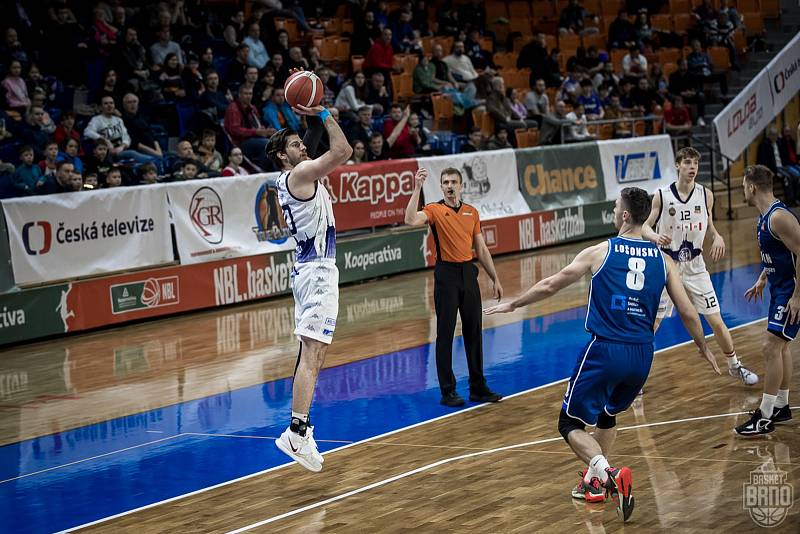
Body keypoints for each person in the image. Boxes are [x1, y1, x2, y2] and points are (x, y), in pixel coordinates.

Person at [484, 187, 720, 520]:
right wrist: (703, 346)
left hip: (605, 349)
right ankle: (593, 484)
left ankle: (608, 474)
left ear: (625, 215)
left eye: (614, 208)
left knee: (569, 423)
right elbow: (688, 312)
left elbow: (553, 284)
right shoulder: (664, 261)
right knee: (608, 413)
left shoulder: (601, 251)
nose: (611, 212)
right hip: (642, 355)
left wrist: (514, 303)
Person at [268, 103, 353, 473]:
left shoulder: (291, 177)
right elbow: (342, 151)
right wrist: (324, 111)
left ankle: (299, 426)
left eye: (302, 143)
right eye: (295, 145)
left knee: (310, 354)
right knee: (313, 353)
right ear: (280, 156)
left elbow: (314, 141)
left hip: (308, 270)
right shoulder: (299, 175)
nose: (303, 147)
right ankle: (296, 430)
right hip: (317, 271)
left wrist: (308, 105)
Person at [642, 147, 758, 386]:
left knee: (716, 320)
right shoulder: (662, 196)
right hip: (667, 266)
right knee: (651, 324)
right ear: (677, 165)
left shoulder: (706, 195)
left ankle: (735, 365)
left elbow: (710, 225)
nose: (692, 167)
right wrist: (654, 237)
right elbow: (645, 227)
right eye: (687, 162)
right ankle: (635, 378)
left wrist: (717, 236)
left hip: (695, 265)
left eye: (695, 163)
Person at [404, 167, 504, 407]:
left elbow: (480, 249)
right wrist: (417, 187)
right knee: (445, 334)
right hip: (446, 275)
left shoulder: (472, 212)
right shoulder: (435, 210)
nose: (449, 185)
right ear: (440, 187)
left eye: (453, 182)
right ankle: (448, 391)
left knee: (473, 332)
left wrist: (495, 278)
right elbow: (410, 219)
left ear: (461, 186)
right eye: (445, 182)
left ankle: (478, 387)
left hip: (468, 274)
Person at [736, 165, 800, 436]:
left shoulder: (779, 217)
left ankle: (764, 416)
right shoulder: (764, 217)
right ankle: (782, 406)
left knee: (770, 347)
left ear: (752, 187)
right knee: (781, 347)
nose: (742, 190)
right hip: (779, 287)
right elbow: (780, 252)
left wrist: (797, 297)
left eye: (743, 185)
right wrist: (763, 278)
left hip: (791, 290)